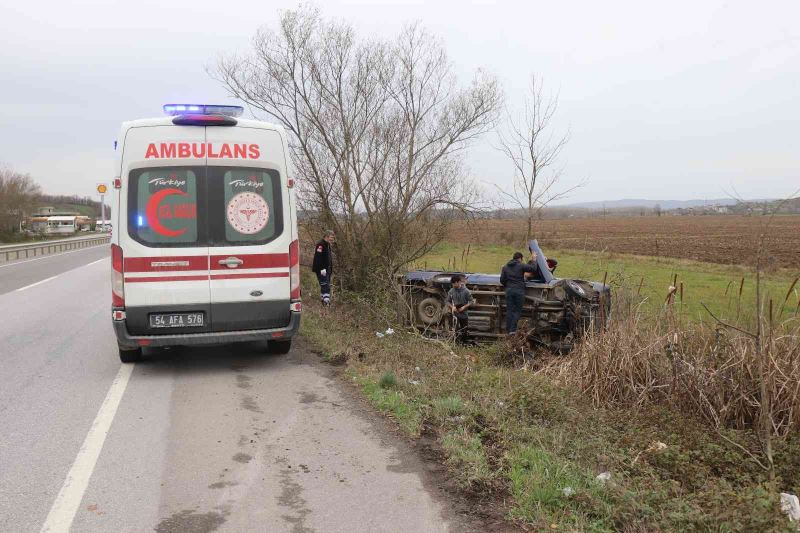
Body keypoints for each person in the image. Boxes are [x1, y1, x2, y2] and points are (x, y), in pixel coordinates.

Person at [500, 251, 538, 333]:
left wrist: (509, 285)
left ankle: (508, 330)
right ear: (520, 258)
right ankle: (512, 331)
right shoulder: (521, 265)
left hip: (509, 291)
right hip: (519, 291)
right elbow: (533, 269)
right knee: (517, 310)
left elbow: (502, 280)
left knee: (509, 310)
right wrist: (534, 259)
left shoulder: (505, 267)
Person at [447, 274, 475, 345]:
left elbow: (472, 301)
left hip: (464, 314)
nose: (453, 285)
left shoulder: (466, 291)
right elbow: (447, 301)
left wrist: (464, 307)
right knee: (455, 330)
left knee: (464, 330)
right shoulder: (451, 291)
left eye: (454, 283)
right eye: (452, 283)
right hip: (455, 314)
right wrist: (452, 307)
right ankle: (455, 343)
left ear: (458, 282)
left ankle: (463, 343)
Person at [312, 230, 335, 306]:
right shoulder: (320, 245)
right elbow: (318, 258)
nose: (332, 239)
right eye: (331, 237)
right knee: (325, 286)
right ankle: (326, 302)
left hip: (327, 269)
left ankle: (323, 301)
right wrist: (322, 269)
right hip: (322, 270)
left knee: (325, 285)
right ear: (327, 236)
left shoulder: (327, 245)